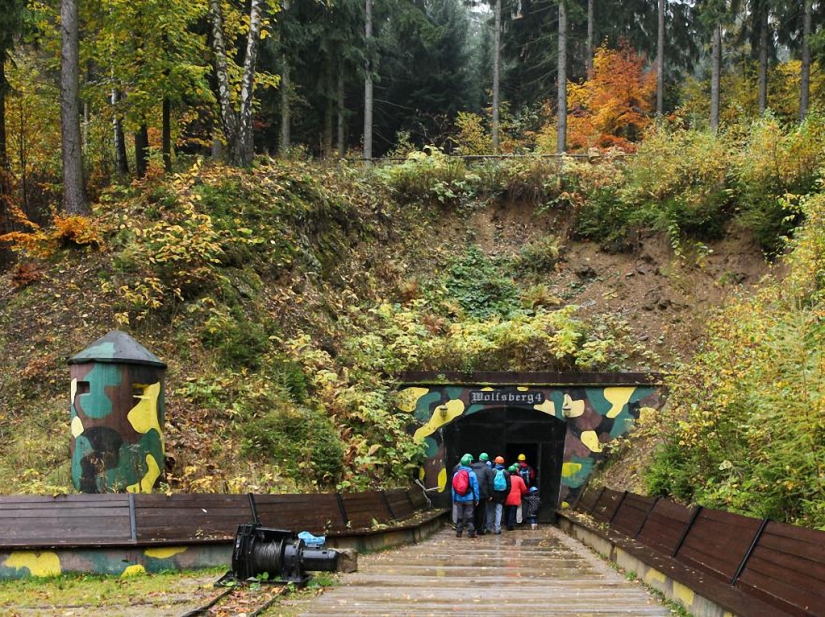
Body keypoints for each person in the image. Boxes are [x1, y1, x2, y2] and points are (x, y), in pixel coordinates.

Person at [452, 453, 480, 538]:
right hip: (469, 497)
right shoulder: (472, 474)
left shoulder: (456, 474)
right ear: (469, 462)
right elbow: (475, 487)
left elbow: (453, 488)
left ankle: (459, 532)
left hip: (459, 498)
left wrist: (454, 499)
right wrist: (477, 499)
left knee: (459, 515)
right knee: (470, 515)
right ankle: (471, 532)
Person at [471, 453, 495, 535]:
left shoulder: (471, 467)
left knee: (472, 511)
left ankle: (472, 528)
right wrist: (490, 495)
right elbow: (491, 483)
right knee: (481, 512)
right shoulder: (488, 469)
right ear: (487, 460)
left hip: (471, 493)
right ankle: (479, 530)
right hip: (483, 494)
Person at [488, 455, 510, 534]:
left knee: (490, 510)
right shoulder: (506, 472)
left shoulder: (492, 471)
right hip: (501, 494)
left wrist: (490, 494)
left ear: (496, 462)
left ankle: (488, 527)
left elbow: (490, 484)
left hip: (493, 494)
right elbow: (509, 486)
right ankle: (497, 529)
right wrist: (505, 494)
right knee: (499, 511)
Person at [505, 464, 528, 531]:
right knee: (512, 511)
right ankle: (510, 525)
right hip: (515, 498)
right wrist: (522, 494)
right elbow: (524, 489)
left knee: (507, 511)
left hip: (507, 497)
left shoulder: (506, 478)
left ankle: (506, 523)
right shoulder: (519, 479)